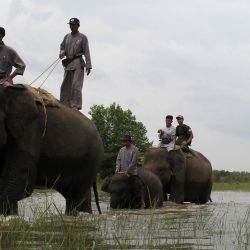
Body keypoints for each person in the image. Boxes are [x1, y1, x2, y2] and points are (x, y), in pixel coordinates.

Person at [59, 18, 92, 110]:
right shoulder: (66, 37)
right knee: (65, 85)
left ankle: (75, 105)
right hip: (68, 63)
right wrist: (62, 52)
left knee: (76, 85)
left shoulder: (83, 37)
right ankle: (64, 104)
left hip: (78, 62)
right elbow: (62, 47)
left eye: (73, 25)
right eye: (70, 25)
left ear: (78, 26)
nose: (71, 26)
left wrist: (88, 65)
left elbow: (86, 52)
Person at [115, 134, 145, 208]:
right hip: (121, 173)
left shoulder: (135, 149)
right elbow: (118, 159)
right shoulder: (121, 150)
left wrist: (127, 171)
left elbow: (133, 162)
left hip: (132, 173)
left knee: (139, 185)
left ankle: (142, 203)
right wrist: (117, 168)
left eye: (126, 141)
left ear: (130, 141)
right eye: (123, 141)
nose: (124, 143)